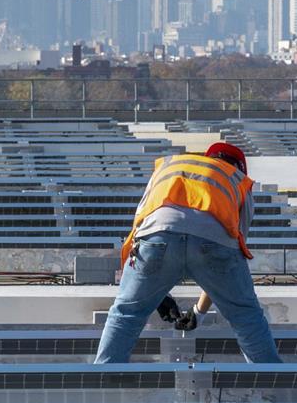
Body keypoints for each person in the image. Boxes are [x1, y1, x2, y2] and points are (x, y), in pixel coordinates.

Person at [95, 142, 281, 363]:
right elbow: (230, 253)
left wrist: (157, 295)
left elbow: (139, 227)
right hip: (214, 243)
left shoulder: (171, 168)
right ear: (239, 167)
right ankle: (270, 381)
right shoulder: (237, 180)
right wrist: (199, 313)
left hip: (156, 238)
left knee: (126, 313)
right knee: (245, 316)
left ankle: (105, 376)